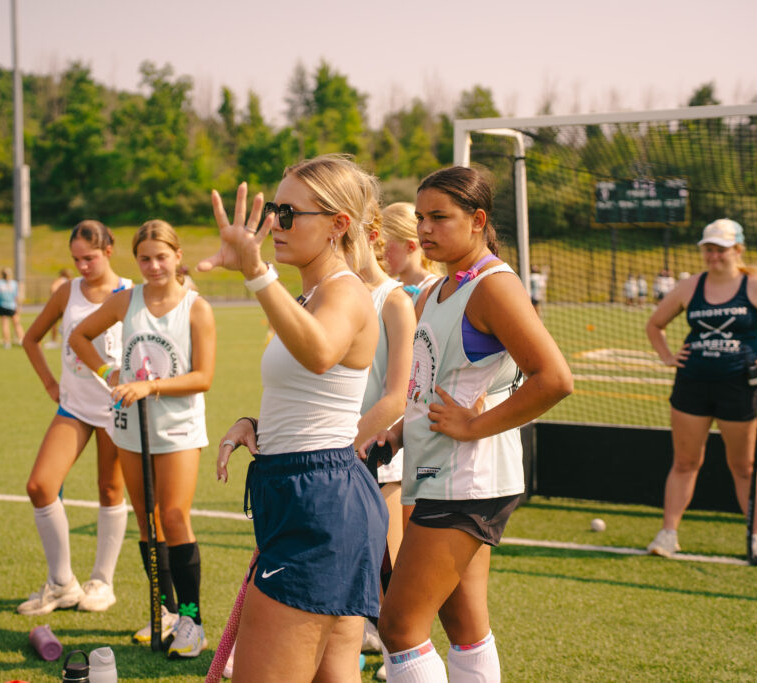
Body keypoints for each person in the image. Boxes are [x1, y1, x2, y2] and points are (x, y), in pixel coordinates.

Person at [371, 166, 572, 682]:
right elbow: (431, 384)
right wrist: (398, 432)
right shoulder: (436, 289)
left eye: (439, 217)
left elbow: (554, 378)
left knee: (398, 626)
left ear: (478, 220)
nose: (425, 228)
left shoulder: (493, 286)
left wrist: (472, 427)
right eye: (420, 217)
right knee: (465, 626)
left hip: (466, 480)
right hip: (438, 473)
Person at [203, 154, 387, 682]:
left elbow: (321, 353)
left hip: (319, 500)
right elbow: (314, 393)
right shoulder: (312, 295)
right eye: (274, 211)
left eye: (288, 213)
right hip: (310, 491)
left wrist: (256, 273)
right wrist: (256, 425)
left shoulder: (345, 290)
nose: (274, 225)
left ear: (338, 224)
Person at [71, 219, 216, 659]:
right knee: (146, 520)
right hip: (130, 426)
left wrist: (147, 386)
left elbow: (203, 377)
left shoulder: (196, 308)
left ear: (177, 256)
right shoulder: (125, 300)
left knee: (173, 517)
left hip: (177, 427)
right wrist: (109, 372)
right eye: (144, 258)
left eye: (161, 257)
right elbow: (79, 336)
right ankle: (165, 611)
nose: (153, 266)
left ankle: (192, 621)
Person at [644, 218, 757, 565]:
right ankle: (668, 534)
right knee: (685, 462)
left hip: (739, 387)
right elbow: (655, 324)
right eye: (709, 249)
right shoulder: (691, 286)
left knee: (744, 467)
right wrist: (668, 356)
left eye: (722, 249)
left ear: (738, 250)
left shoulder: (756, 286)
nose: (714, 256)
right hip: (692, 385)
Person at [17, 221, 134, 616]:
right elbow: (30, 339)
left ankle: (102, 581)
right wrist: (50, 383)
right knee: (40, 486)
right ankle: (61, 583)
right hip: (74, 408)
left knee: (110, 490)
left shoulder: (129, 292)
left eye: (90, 258)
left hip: (116, 409)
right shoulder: (67, 291)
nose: (83, 266)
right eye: (76, 259)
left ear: (109, 250)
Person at [357, 210, 417, 668]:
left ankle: (401, 656)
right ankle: (358, 638)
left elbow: (398, 394)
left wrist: (351, 441)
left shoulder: (393, 299)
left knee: (387, 564)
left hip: (376, 451)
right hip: (333, 453)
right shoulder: (326, 295)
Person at [381, 201, 441, 304]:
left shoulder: (433, 291)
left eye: (385, 247)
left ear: (410, 247)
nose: (379, 254)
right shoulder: (391, 287)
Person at [0, 267, 24, 348]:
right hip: (12, 306)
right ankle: (21, 340)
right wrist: (18, 306)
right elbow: (16, 296)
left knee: (5, 325)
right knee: (17, 324)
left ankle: (7, 343)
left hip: (2, 305)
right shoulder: (13, 283)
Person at [46, 268, 73, 348]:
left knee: (53, 323)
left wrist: (57, 298)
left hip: (59, 304)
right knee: (67, 323)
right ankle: (68, 340)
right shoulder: (71, 281)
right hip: (68, 304)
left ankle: (54, 340)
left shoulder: (60, 280)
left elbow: (52, 289)